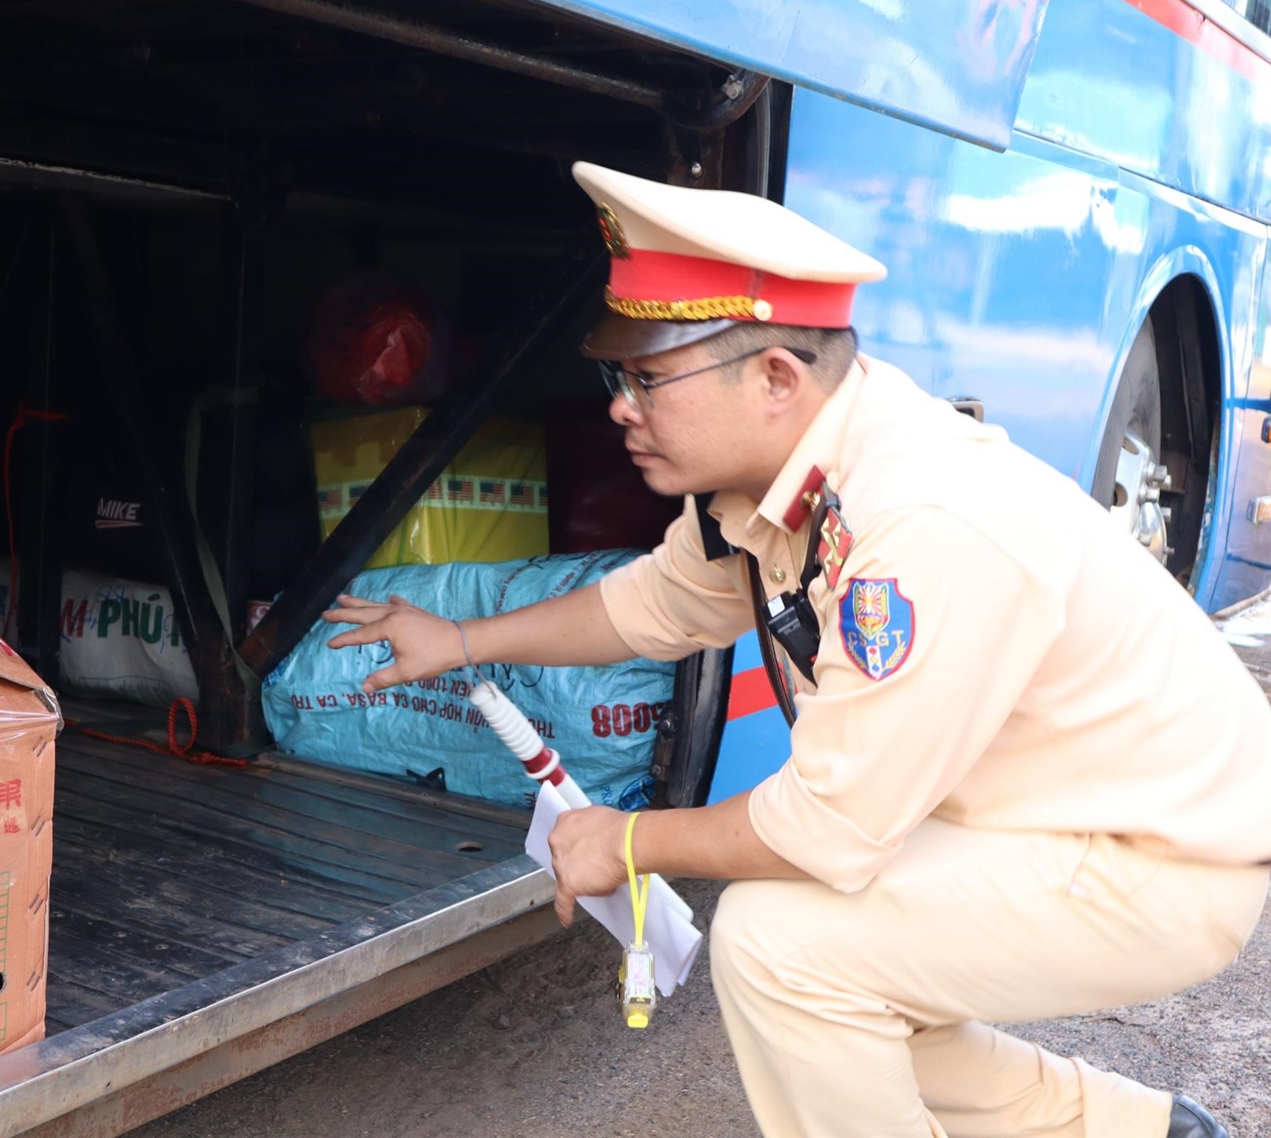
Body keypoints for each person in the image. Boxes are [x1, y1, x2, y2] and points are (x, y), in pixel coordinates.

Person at [322, 162, 1271, 1138]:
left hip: (1164, 857)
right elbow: (652, 607)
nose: (618, 406)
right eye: (618, 376)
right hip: (1055, 814)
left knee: (788, 950)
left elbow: (825, 828)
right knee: (841, 976)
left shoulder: (917, 518)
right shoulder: (782, 474)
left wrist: (630, 842)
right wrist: (462, 639)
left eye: (647, 378)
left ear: (776, 377)